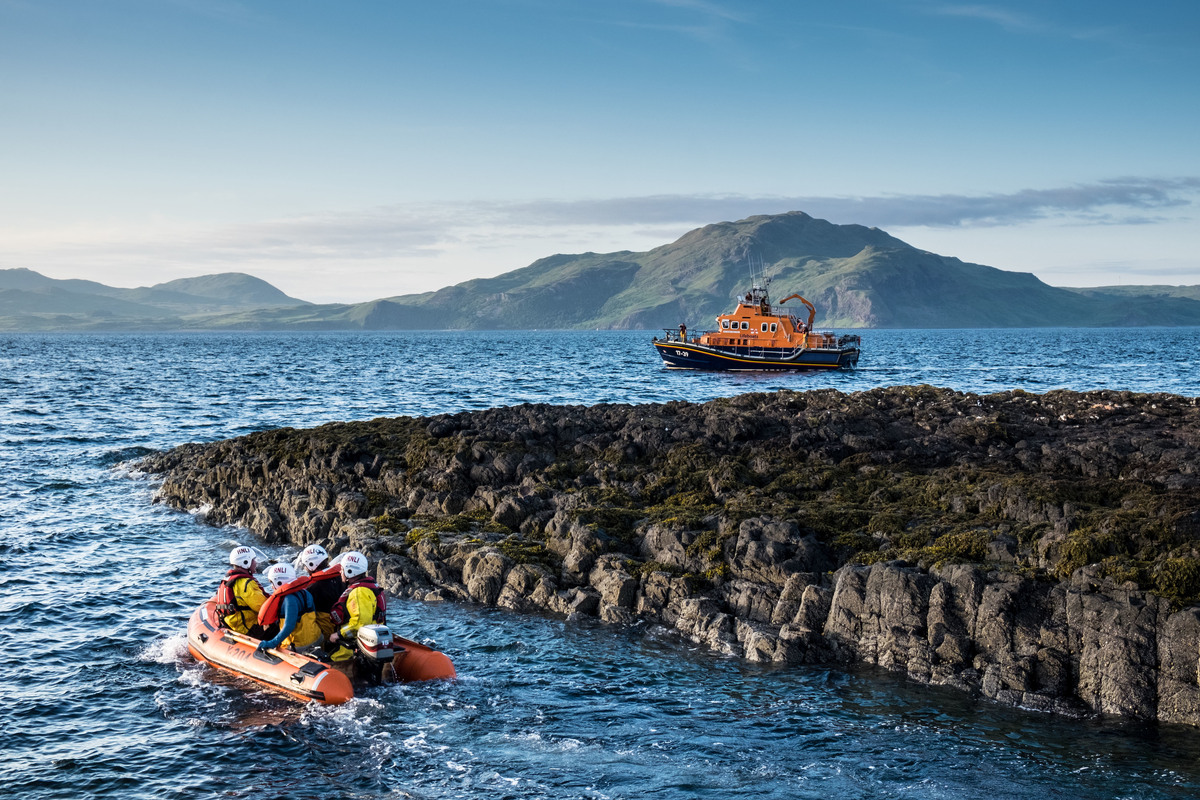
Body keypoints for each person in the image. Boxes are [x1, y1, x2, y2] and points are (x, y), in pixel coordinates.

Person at [327, 551, 387, 663]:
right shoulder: (368, 586)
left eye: (343, 569)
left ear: (350, 571)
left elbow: (360, 623)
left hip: (354, 644)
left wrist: (338, 634)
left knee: (331, 659)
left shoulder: (359, 592)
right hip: (370, 640)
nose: (340, 572)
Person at [255, 562, 323, 653]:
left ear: (279, 582)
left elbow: (289, 626)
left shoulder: (289, 599)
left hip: (299, 646)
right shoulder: (306, 593)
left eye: (272, 582)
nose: (271, 586)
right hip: (317, 638)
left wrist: (272, 643)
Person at [215, 545, 269, 638]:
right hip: (248, 628)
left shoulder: (227, 580)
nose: (256, 563)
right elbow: (264, 608)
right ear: (245, 562)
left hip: (232, 624)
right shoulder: (247, 583)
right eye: (253, 560)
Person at [293, 543, 344, 640]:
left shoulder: (312, 587)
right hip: (341, 625)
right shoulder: (340, 577)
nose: (305, 568)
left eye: (305, 566)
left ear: (311, 565)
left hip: (325, 630)